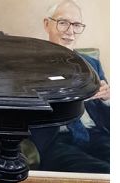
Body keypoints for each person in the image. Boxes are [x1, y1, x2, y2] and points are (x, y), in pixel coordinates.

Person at [29, 0, 110, 173]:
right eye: (63, 23)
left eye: (76, 24)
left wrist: (108, 100)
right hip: (57, 138)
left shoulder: (92, 64)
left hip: (96, 134)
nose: (70, 31)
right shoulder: (30, 64)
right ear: (47, 24)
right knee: (102, 171)